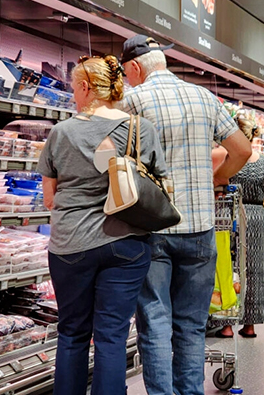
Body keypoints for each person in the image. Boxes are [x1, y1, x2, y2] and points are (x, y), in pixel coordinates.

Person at [119, 35, 252, 395]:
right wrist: (216, 179)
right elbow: (241, 150)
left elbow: (112, 161)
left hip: (152, 228)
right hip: (200, 230)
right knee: (191, 325)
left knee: (155, 322)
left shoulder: (132, 100)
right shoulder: (205, 98)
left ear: (134, 68)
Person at [38, 55, 169, 395]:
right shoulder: (141, 129)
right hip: (127, 243)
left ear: (85, 87)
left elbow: (50, 199)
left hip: (71, 246)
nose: (72, 95)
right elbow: (162, 186)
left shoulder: (61, 132)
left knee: (72, 333)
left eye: (73, 88)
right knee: (111, 335)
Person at [211, 114, 264, 339]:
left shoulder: (224, 155)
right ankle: (249, 325)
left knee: (228, 266)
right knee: (253, 269)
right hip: (255, 215)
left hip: (227, 213)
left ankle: (227, 323)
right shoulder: (262, 160)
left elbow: (212, 180)